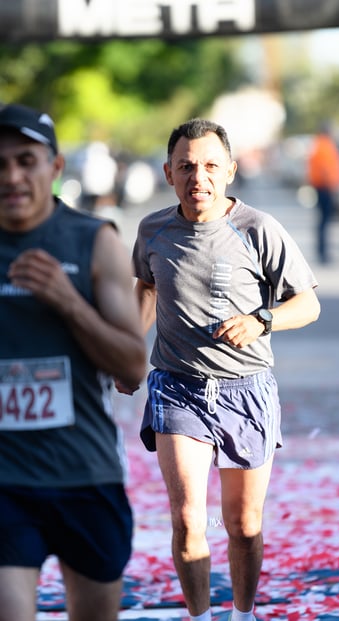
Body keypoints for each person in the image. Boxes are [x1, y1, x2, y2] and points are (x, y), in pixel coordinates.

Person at [131, 118, 320, 621]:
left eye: (211, 165)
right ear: (168, 173)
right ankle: (200, 617)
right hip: (177, 387)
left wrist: (263, 320)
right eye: (186, 166)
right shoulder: (152, 230)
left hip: (247, 390)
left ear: (231, 171)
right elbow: (146, 287)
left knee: (242, 523)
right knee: (189, 518)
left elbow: (307, 305)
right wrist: (129, 347)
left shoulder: (259, 229)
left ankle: (242, 613)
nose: (199, 177)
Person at [0, 103, 147, 621]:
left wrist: (67, 301)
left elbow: (132, 368)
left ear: (55, 168)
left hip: (83, 474)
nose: (11, 177)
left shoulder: (94, 242)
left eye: (25, 161)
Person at [307, 122, 339, 263]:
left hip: (322, 186)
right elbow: (325, 169)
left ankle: (323, 251)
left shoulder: (318, 145)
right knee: (324, 221)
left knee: (324, 220)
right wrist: (331, 185)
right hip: (325, 187)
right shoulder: (324, 146)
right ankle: (323, 252)